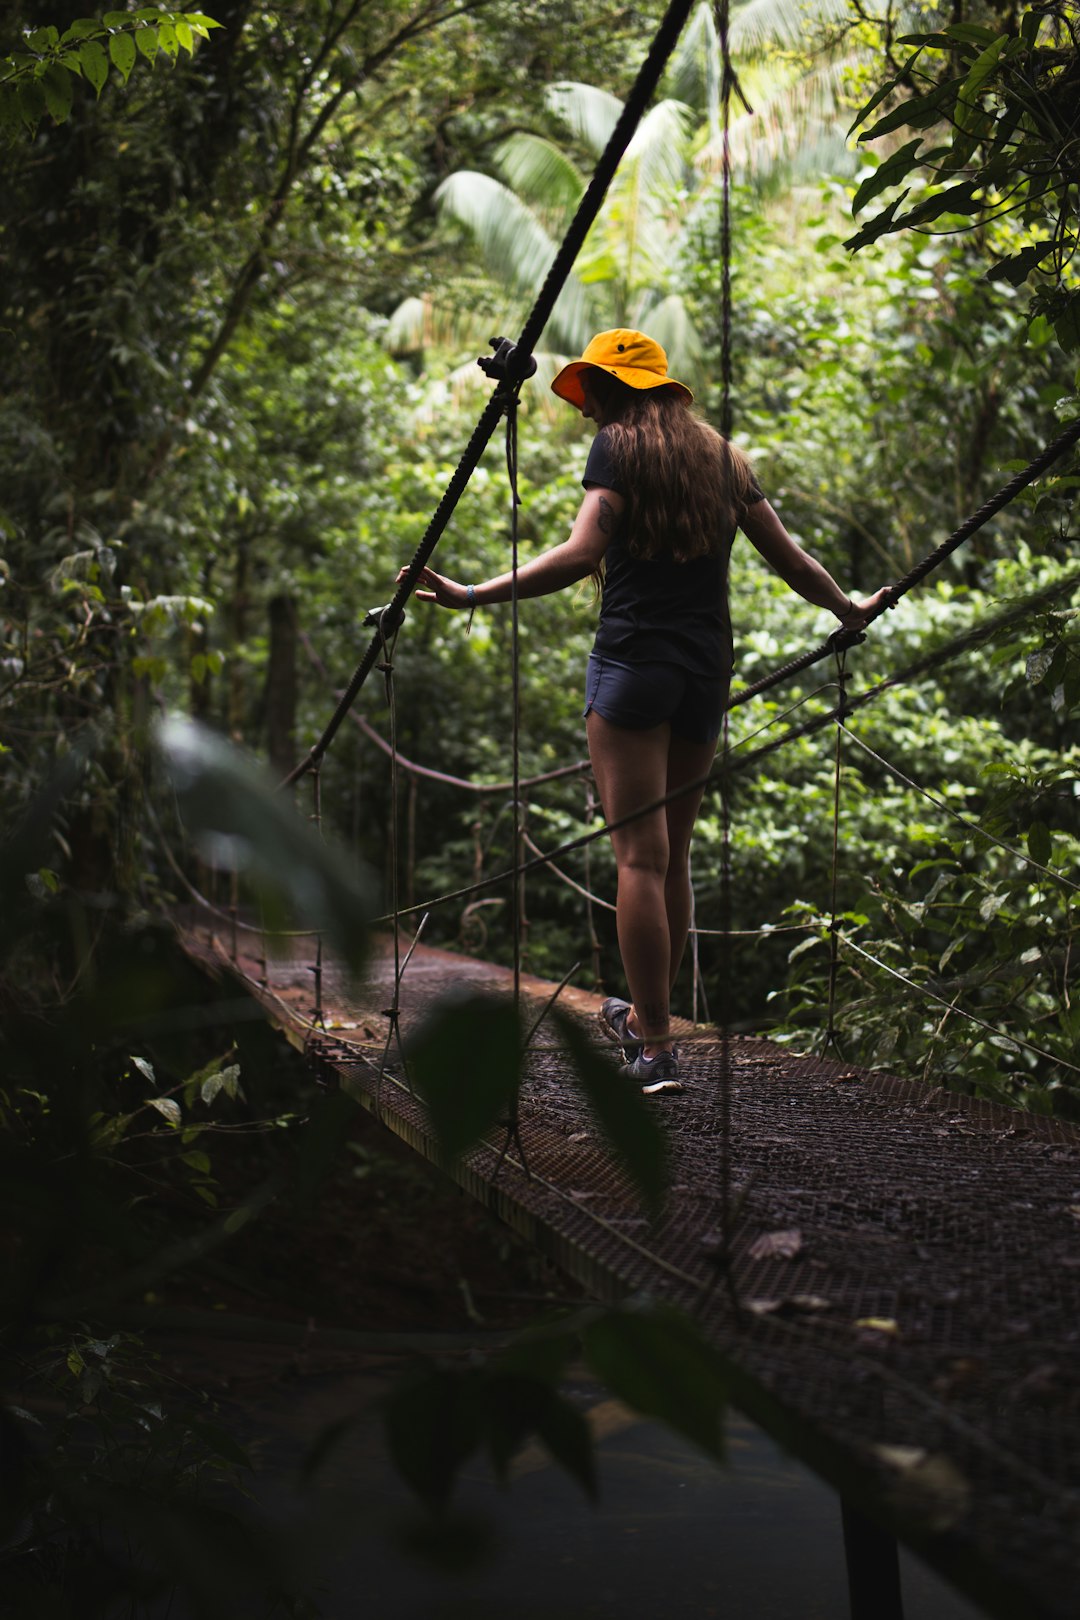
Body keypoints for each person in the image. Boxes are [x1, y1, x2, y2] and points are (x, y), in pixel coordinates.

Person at [399, 329, 890, 1093]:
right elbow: (791, 560)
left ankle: (654, 1043)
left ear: (610, 389)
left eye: (590, 390)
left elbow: (577, 556)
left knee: (638, 858)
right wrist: (848, 608)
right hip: (703, 675)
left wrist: (469, 594)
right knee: (674, 858)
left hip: (632, 668)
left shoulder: (619, 450)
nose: (586, 406)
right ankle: (648, 1022)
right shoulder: (722, 456)